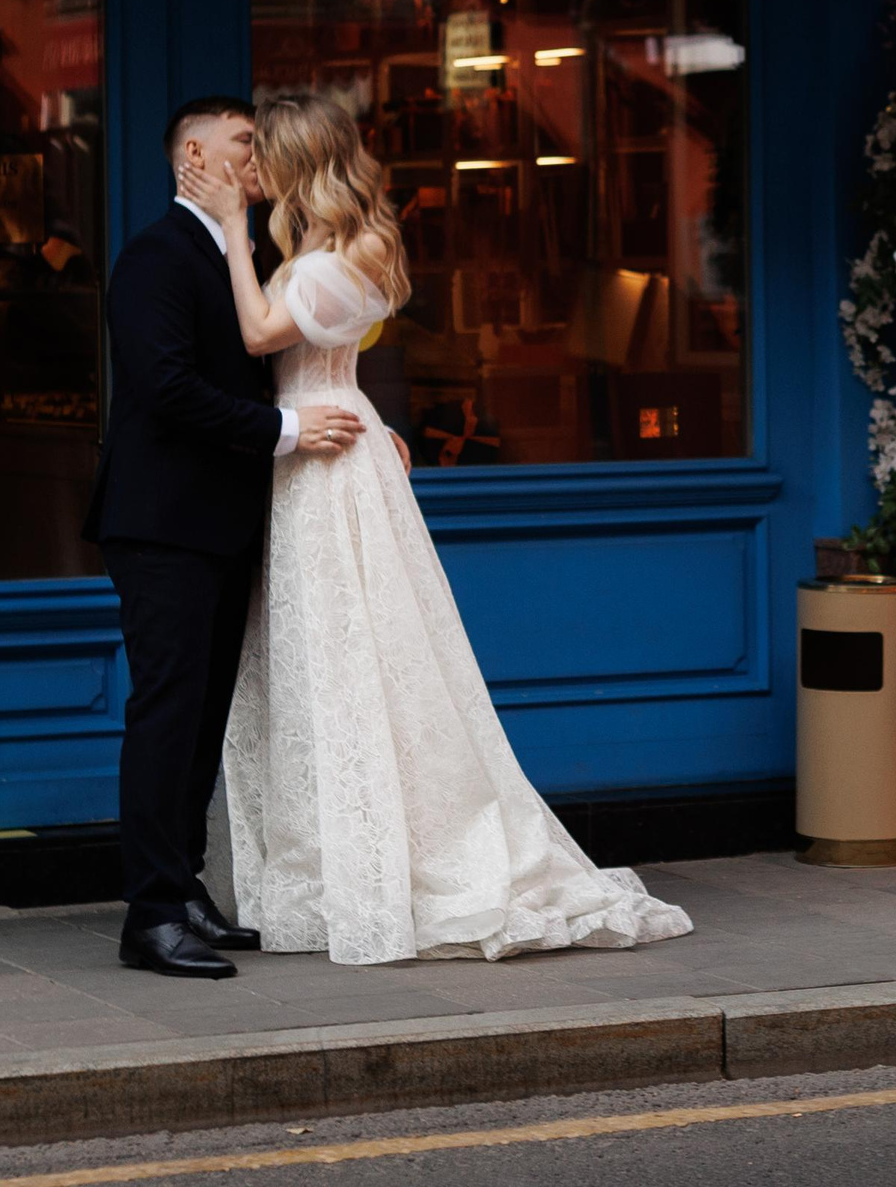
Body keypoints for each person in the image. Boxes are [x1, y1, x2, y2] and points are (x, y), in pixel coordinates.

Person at [181, 93, 695, 965]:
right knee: (322, 658)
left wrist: (232, 224)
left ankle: (396, 855)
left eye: (264, 155)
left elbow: (263, 331)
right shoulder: (317, 247)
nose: (251, 171)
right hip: (321, 446)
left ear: (301, 161)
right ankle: (320, 855)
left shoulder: (341, 255)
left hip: (326, 466)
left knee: (356, 656)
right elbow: (322, 363)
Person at [86, 97, 370, 980]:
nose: (258, 156)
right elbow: (167, 389)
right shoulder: (154, 257)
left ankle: (184, 885)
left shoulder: (244, 257)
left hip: (225, 527)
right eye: (243, 144)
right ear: (193, 159)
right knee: (167, 713)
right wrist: (287, 432)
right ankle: (150, 916)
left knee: (204, 720)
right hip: (162, 527)